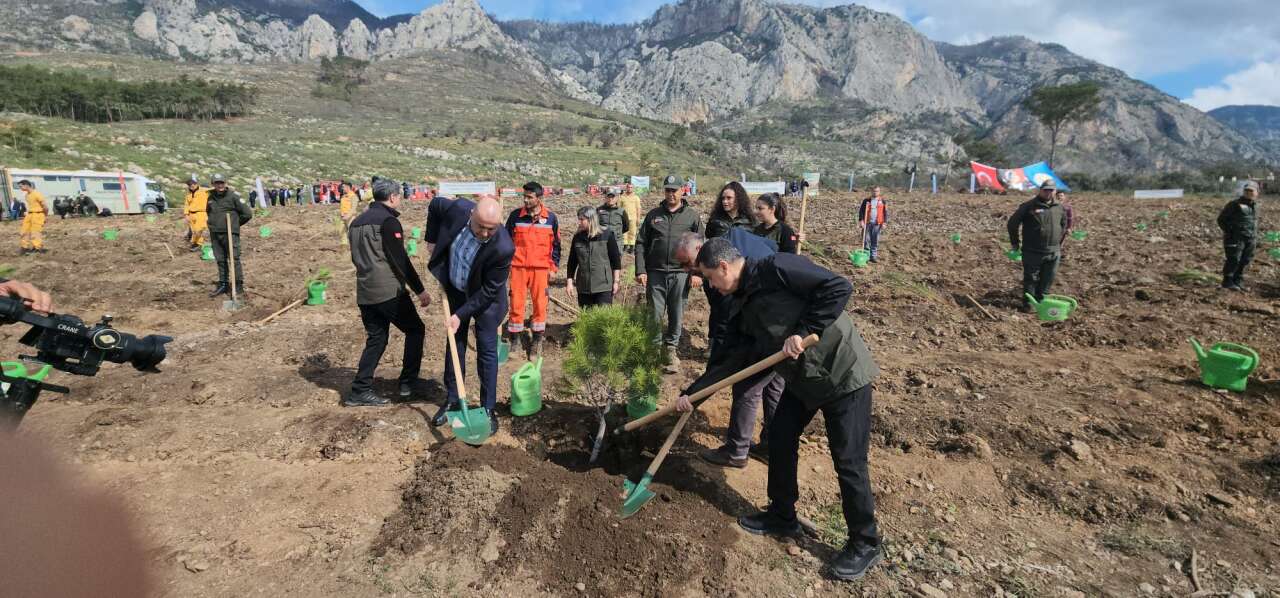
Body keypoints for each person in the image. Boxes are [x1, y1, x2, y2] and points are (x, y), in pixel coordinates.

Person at [677, 238, 882, 582]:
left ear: (725, 267)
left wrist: (804, 331)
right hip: (802, 381)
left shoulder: (777, 268)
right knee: (780, 438)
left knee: (848, 460)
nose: (711, 286)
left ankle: (865, 541)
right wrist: (693, 394)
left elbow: (838, 286)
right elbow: (733, 358)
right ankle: (782, 514)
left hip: (842, 372)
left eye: (711, 278)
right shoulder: (739, 302)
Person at [674, 231, 783, 468]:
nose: (685, 270)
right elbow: (771, 244)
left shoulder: (722, 272)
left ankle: (736, 452)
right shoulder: (728, 245)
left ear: (699, 250)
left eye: (685, 263)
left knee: (747, 387)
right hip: (778, 329)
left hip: (768, 330)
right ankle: (771, 446)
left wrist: (696, 393)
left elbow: (727, 333)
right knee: (774, 385)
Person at [426, 195, 514, 435]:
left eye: (491, 229)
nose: (485, 233)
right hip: (456, 289)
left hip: (487, 302)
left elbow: (488, 290)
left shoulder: (503, 247)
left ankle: (487, 408)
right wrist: (431, 239)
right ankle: (453, 399)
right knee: (455, 344)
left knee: (486, 352)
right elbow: (434, 206)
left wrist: (461, 315)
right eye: (480, 227)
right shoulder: (457, 209)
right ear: (471, 215)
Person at [346, 179, 432, 407]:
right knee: (415, 330)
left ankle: (360, 390)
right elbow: (399, 260)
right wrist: (420, 290)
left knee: (377, 339)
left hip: (364, 291)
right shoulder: (388, 222)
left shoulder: (355, 223)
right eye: (399, 196)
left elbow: (355, 258)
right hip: (388, 292)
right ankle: (407, 384)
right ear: (393, 197)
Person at [635, 174, 703, 372]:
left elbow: (700, 246)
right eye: (667, 190)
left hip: (681, 273)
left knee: (676, 313)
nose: (671, 194)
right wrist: (640, 269)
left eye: (674, 190)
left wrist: (697, 273)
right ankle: (654, 350)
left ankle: (670, 350)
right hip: (655, 272)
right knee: (654, 314)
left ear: (683, 190)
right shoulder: (653, 215)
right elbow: (640, 243)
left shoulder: (692, 216)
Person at [505, 181, 561, 359]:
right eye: (524, 196)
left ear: (539, 198)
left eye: (529, 197)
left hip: (541, 270)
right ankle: (515, 340)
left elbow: (557, 246)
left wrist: (553, 267)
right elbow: (505, 243)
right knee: (516, 304)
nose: (526, 200)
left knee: (540, 305)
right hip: (518, 268)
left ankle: (537, 341)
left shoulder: (551, 218)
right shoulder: (515, 216)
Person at [1007, 179, 1067, 311]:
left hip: (1053, 251)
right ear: (1040, 190)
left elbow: (1064, 224)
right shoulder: (1028, 206)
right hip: (1032, 250)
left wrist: (1058, 241)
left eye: (1051, 190)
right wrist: (1015, 243)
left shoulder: (1059, 207)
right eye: (1045, 190)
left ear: (1055, 191)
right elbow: (1012, 224)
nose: (1048, 193)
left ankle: (1042, 302)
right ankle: (1029, 304)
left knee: (1048, 278)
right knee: (1031, 278)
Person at [206, 174, 253, 297]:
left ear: (225, 183)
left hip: (229, 233)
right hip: (215, 234)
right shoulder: (210, 198)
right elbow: (209, 212)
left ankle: (238, 286)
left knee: (234, 259)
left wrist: (234, 225)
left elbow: (247, 214)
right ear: (213, 184)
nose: (220, 185)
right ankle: (223, 284)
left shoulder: (233, 197)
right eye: (217, 183)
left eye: (222, 182)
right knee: (220, 260)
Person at [566, 207, 622, 308]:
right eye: (579, 219)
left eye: (582, 219)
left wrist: (616, 281)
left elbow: (616, 261)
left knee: (604, 318)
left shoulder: (607, 235)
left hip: (603, 286)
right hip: (584, 286)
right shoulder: (577, 237)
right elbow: (572, 262)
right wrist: (569, 282)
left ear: (591, 219)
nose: (579, 222)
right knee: (587, 318)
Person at [1218, 181, 1260, 291]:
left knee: (1245, 260)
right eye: (1246, 190)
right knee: (1234, 259)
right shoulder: (1234, 204)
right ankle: (1227, 282)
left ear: (1257, 193)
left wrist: (1254, 237)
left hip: (1250, 238)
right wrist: (1231, 232)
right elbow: (1221, 220)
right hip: (1236, 238)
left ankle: (1238, 281)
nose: (1248, 193)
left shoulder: (1255, 206)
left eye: (1251, 191)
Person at [857, 187, 889, 263]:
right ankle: (866, 256)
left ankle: (873, 256)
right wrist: (861, 221)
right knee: (866, 240)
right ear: (871, 191)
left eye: (877, 191)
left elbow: (885, 213)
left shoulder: (883, 201)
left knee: (875, 241)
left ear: (879, 192)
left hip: (877, 224)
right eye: (874, 191)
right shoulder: (866, 201)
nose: (875, 192)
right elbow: (861, 211)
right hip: (867, 223)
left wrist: (884, 222)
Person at [17, 180, 47, 255]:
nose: (20, 188)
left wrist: (44, 216)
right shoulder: (27, 195)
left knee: (35, 232)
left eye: (21, 186)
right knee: (24, 231)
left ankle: (37, 248)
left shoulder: (37, 194)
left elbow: (45, 206)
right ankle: (24, 247)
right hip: (29, 215)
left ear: (26, 185)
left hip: (38, 214)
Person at [183, 174, 209, 252]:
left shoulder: (204, 190)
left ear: (196, 183)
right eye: (190, 184)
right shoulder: (189, 195)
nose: (192, 185)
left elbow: (214, 189)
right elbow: (186, 205)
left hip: (201, 213)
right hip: (191, 214)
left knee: (199, 229)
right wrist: (186, 214)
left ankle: (198, 243)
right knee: (194, 231)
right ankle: (195, 243)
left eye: (193, 184)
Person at [618, 184, 642, 254]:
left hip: (633, 218)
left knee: (632, 232)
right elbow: (619, 207)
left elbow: (638, 208)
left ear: (633, 188)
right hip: (624, 218)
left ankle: (631, 247)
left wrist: (638, 218)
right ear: (626, 188)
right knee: (625, 232)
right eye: (628, 187)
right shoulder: (622, 197)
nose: (629, 189)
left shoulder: (636, 198)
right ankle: (625, 246)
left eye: (631, 187)